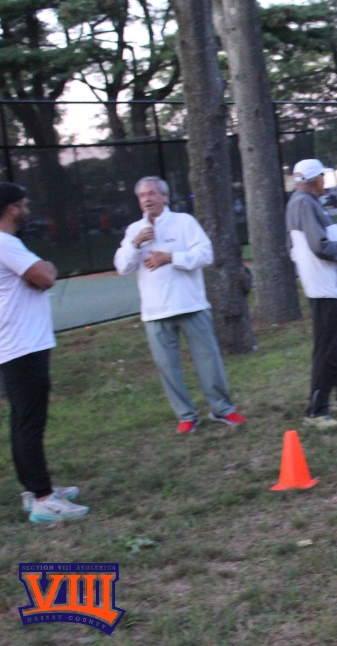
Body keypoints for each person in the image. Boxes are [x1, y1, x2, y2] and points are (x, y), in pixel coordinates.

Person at [114, 177, 247, 434]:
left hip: (190, 305)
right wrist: (134, 244)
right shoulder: (134, 231)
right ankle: (186, 416)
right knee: (168, 367)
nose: (147, 199)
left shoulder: (184, 222)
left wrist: (171, 257)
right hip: (155, 312)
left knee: (208, 360)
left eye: (152, 193)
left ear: (164, 197)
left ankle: (222, 409)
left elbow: (205, 255)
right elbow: (122, 267)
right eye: (142, 196)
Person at [0, 183, 90, 523]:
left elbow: (36, 279)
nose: (27, 209)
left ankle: (33, 490)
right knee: (30, 424)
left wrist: (38, 273)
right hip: (23, 346)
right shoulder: (6, 243)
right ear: (11, 208)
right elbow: (45, 277)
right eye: (23, 204)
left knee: (22, 421)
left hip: (16, 345)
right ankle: (43, 499)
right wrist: (46, 267)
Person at [285, 159, 337, 425]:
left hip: (328, 286)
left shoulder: (303, 202)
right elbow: (320, 247)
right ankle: (316, 411)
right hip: (324, 287)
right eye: (323, 177)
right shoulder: (305, 204)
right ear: (316, 179)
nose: (325, 182)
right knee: (328, 350)